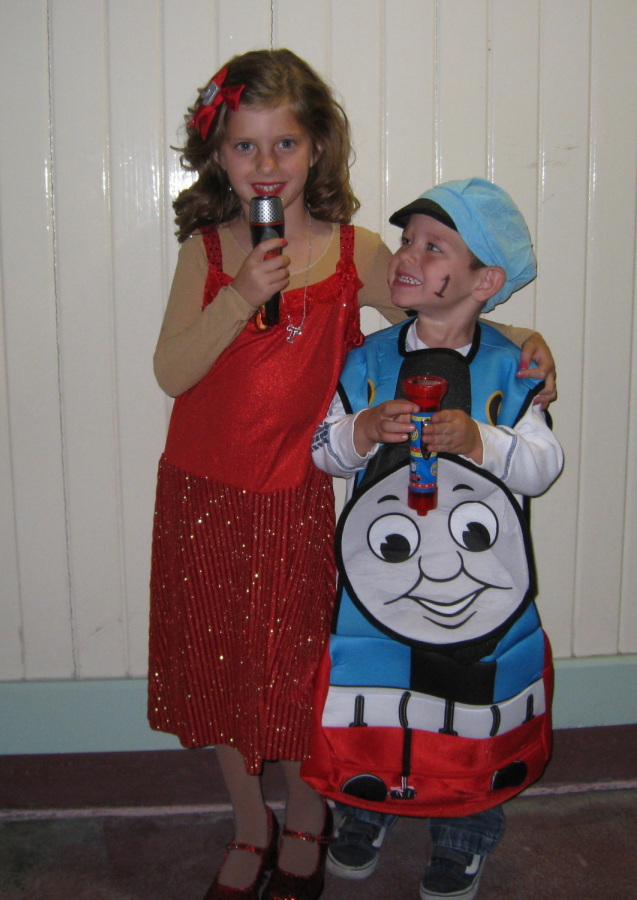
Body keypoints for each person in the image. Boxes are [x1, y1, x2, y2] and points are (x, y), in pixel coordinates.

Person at [148, 47, 556, 900]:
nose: (266, 166)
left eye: (284, 145)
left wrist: (523, 343)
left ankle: (305, 817)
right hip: (203, 494)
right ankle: (248, 825)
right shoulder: (210, 249)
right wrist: (237, 295)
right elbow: (172, 372)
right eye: (244, 147)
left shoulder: (351, 252)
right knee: (222, 670)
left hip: (294, 498)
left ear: (317, 150)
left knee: (301, 676)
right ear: (218, 155)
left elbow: (437, 307)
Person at [306, 178, 564, 900]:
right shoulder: (365, 360)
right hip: (378, 584)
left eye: (432, 245)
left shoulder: (511, 370)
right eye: (407, 240)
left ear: (485, 280)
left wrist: (481, 441)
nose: (406, 256)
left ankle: (465, 828)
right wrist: (358, 432)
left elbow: (543, 466)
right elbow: (323, 451)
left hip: (481, 589)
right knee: (375, 694)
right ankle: (363, 808)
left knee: (469, 700)